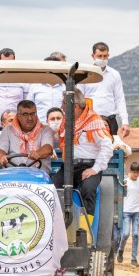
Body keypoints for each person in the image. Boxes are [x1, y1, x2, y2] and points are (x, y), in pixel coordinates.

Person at [52, 89, 112, 217]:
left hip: (88, 166)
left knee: (88, 189)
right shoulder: (66, 122)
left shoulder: (93, 121)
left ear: (75, 106)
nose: (62, 106)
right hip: (69, 166)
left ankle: (86, 229)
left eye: (64, 103)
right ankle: (57, 224)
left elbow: (107, 146)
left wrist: (95, 169)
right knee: (52, 188)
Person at [77, 42, 130, 137]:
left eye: (105, 56)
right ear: (93, 56)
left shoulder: (114, 74)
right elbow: (80, 100)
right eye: (99, 56)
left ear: (108, 55)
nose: (102, 59)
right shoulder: (84, 75)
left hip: (110, 121)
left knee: (110, 150)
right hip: (89, 120)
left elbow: (119, 99)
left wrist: (125, 122)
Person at [0, 100, 54, 174]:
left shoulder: (45, 129)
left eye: (33, 114)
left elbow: (48, 148)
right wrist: (2, 157)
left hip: (39, 176)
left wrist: (38, 153)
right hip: (12, 175)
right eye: (25, 114)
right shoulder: (8, 130)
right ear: (18, 116)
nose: (30, 118)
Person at [0, 48, 29, 133]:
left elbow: (26, 104)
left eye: (10, 62)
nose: (7, 65)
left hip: (15, 126)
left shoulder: (22, 79)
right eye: (4, 62)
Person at [117, 162, 139, 267]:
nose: (136, 174)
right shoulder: (125, 182)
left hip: (137, 211)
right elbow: (120, 197)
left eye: (137, 172)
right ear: (130, 171)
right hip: (126, 211)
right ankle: (121, 249)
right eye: (134, 172)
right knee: (125, 234)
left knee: (136, 235)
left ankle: (134, 258)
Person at [27, 56, 65, 123]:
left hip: (62, 126)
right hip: (41, 126)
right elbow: (28, 108)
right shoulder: (35, 86)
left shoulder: (66, 87)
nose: (51, 71)